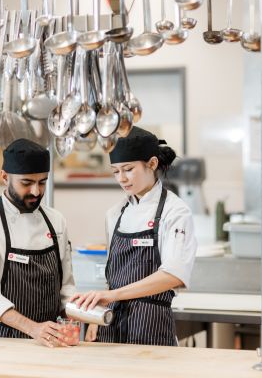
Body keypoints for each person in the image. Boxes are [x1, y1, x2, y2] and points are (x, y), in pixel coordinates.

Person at [72, 127, 197, 346]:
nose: (121, 178)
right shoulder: (115, 214)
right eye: (115, 171)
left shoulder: (175, 211)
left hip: (152, 327)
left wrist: (113, 296)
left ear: (152, 164)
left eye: (128, 169)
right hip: (110, 325)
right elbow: (112, 275)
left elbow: (173, 275)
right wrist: (96, 315)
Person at [0, 139, 76, 347]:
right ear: (5, 177)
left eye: (42, 182)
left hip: (49, 343)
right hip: (2, 344)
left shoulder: (56, 221)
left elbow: (66, 289)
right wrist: (34, 328)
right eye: (26, 183)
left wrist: (84, 316)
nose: (36, 191)